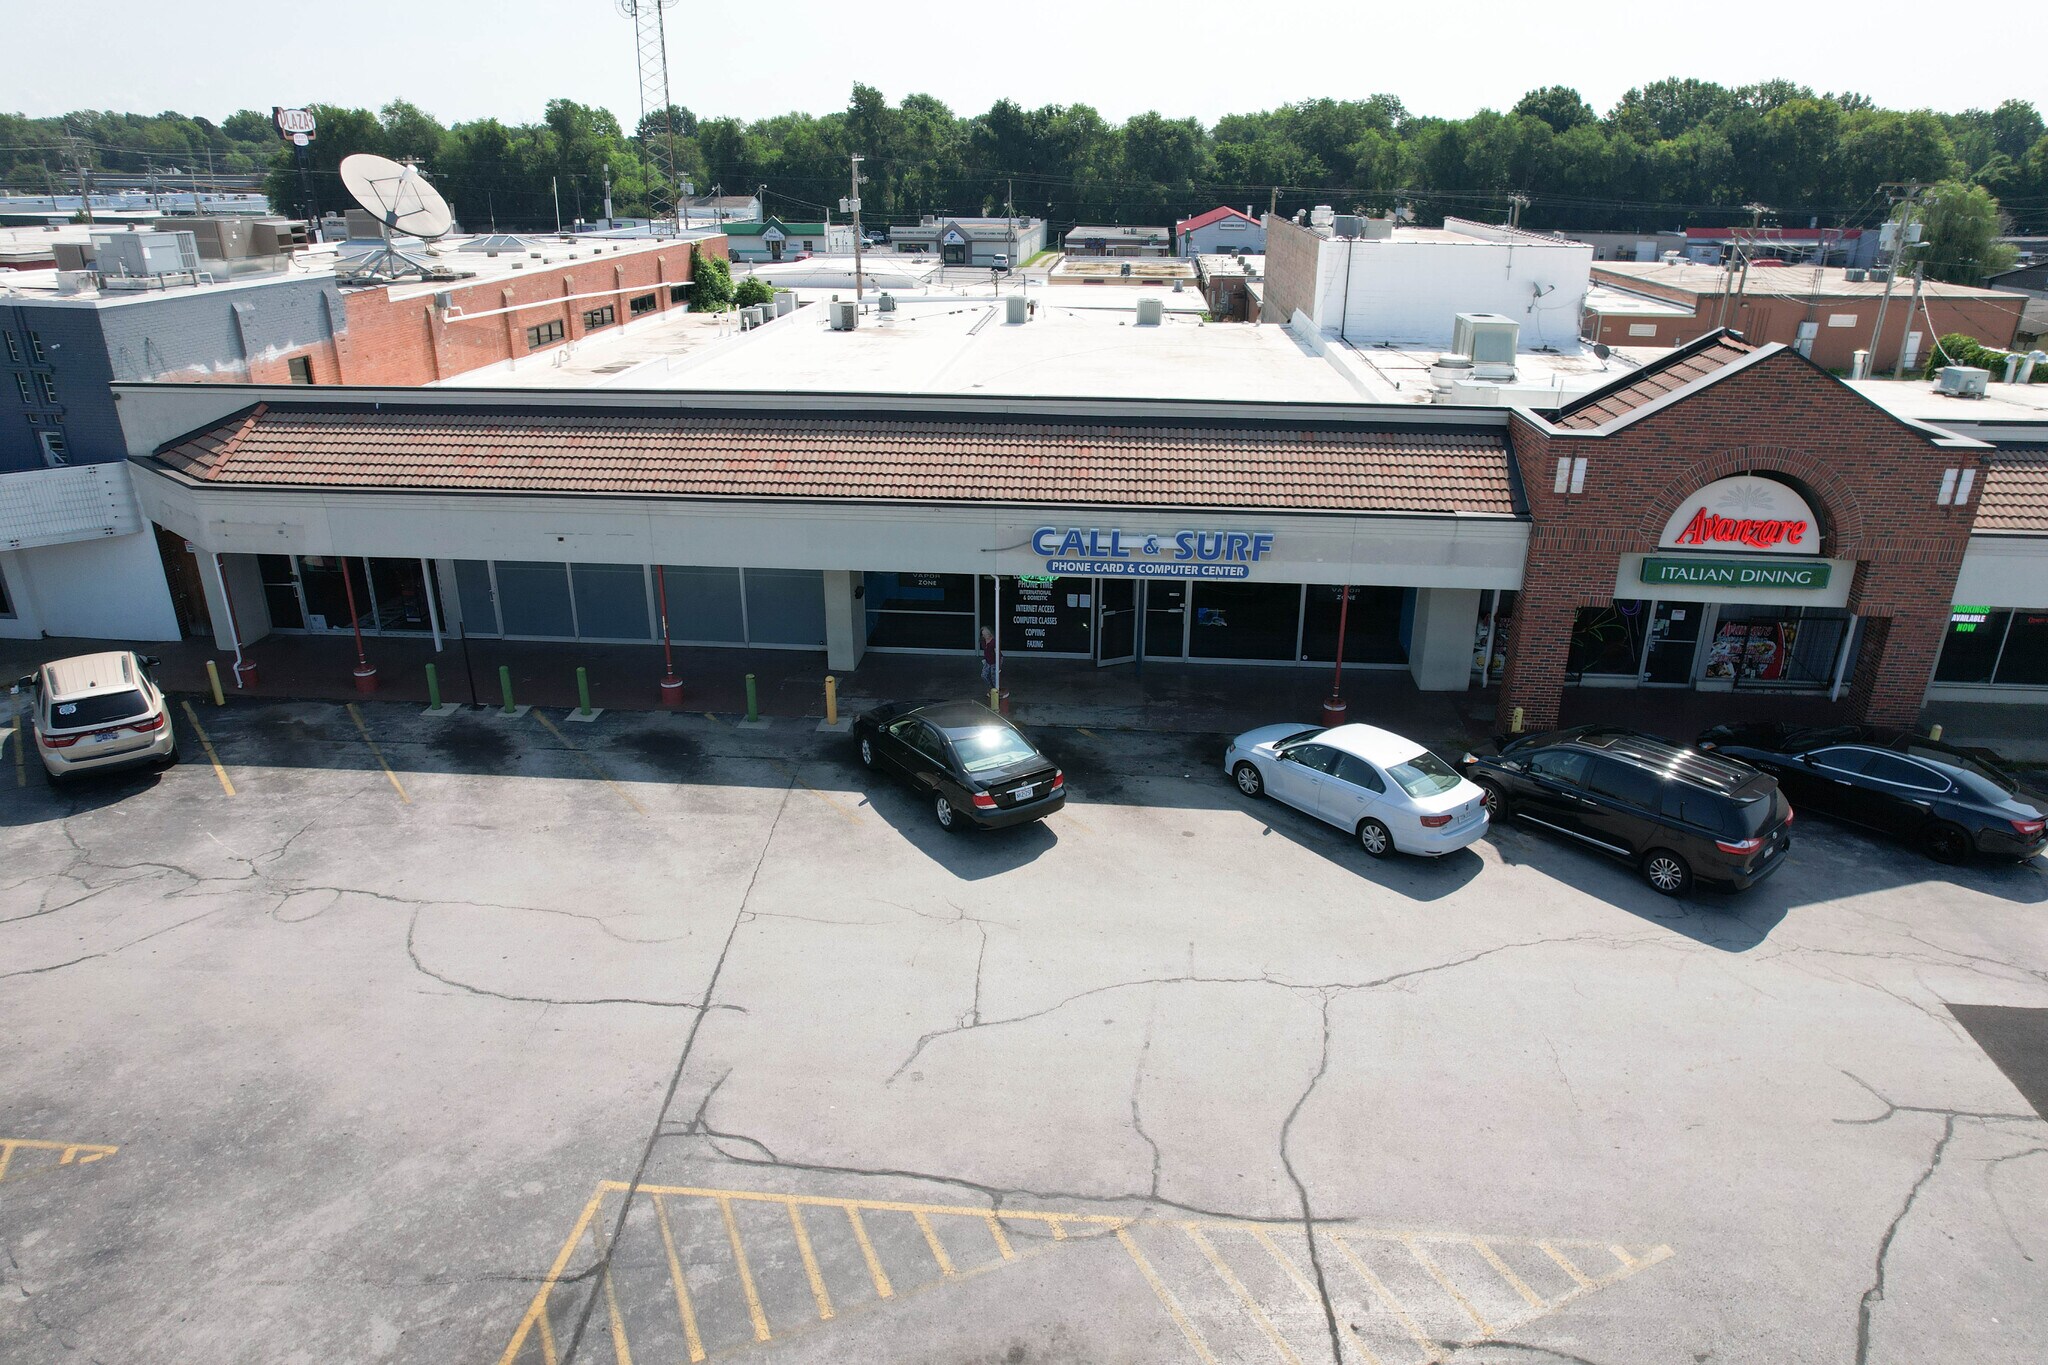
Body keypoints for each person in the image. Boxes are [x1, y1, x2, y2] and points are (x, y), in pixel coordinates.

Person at [979, 626, 997, 692]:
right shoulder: (983, 641)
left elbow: (997, 654)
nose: (984, 636)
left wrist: (999, 666)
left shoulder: (994, 642)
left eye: (985, 634)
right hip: (987, 660)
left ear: (989, 633)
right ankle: (991, 688)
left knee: (994, 677)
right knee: (983, 675)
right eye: (983, 635)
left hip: (994, 661)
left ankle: (996, 690)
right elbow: (985, 651)